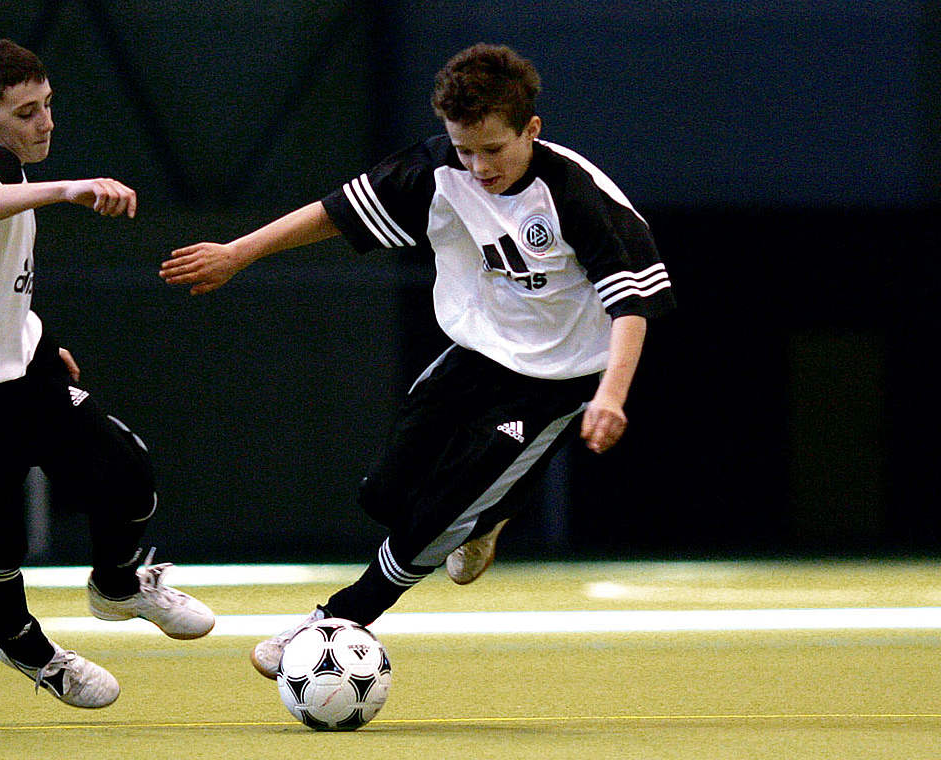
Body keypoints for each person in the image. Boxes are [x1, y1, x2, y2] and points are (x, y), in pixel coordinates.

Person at [160, 43, 673, 679]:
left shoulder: (576, 196)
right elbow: (332, 214)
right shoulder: (435, 170)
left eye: (493, 149)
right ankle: (489, 515)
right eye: (465, 149)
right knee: (386, 494)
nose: (479, 167)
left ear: (531, 130)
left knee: (438, 515)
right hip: (477, 354)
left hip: (560, 381)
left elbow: (633, 305)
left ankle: (339, 618)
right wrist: (239, 252)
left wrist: (611, 396)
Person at [0, 38, 214, 708]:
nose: (45, 123)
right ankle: (25, 648)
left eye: (47, 105)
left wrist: (31, 338)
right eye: (25, 112)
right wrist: (70, 189)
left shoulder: (8, 167)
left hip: (25, 372)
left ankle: (119, 586)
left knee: (127, 471)